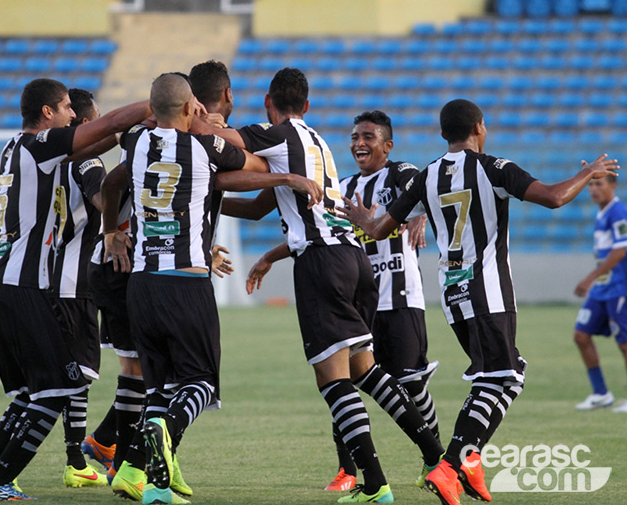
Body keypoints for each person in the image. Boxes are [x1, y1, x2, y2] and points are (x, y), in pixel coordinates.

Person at [338, 99, 619, 505]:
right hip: (488, 289)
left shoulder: (427, 176)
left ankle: (467, 461)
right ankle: (452, 464)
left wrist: (362, 218)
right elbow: (554, 197)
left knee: (503, 375)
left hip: (452, 294)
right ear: (479, 128)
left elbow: (380, 228)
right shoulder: (493, 168)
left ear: (443, 134)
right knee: (501, 377)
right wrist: (587, 172)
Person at [197, 68, 445, 504]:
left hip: (321, 262)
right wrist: (207, 199)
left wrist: (202, 121)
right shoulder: (318, 144)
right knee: (366, 371)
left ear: (269, 102)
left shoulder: (277, 134)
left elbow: (218, 142)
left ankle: (374, 484)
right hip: (354, 260)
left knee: (333, 381)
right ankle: (437, 459)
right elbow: (257, 207)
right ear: (308, 105)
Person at [101, 72, 296, 505]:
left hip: (141, 283)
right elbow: (253, 168)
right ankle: (164, 430)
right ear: (192, 107)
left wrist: (111, 230)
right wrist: (284, 178)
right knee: (202, 383)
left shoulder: (135, 141)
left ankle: (150, 482)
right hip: (186, 281)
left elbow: (110, 183)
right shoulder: (206, 145)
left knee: (159, 388)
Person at [0, 78, 152, 501]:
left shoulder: (14, 147)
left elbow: (93, 144)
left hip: (2, 281)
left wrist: (128, 138)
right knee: (59, 390)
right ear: (47, 113)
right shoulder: (39, 145)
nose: (72, 115)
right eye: (66, 107)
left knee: (30, 394)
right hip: (24, 283)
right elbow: (103, 129)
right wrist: (154, 109)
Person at [330, 111, 440, 491]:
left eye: (368, 137)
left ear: (387, 145)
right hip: (359, 306)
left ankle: (435, 460)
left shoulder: (400, 174)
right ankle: (347, 471)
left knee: (411, 384)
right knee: (342, 380)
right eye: (355, 137)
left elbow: (426, 191)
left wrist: (420, 215)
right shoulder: (343, 187)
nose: (359, 143)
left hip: (401, 298)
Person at [51, 88, 112, 488]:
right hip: (76, 284)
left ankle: (80, 456)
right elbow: (101, 198)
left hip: (51, 277)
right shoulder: (88, 161)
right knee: (78, 374)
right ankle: (76, 459)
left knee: (67, 373)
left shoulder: (51, 162)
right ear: (87, 124)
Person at [572, 174, 627, 412]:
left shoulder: (618, 212)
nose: (593, 189)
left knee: (625, 344)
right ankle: (601, 393)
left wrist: (589, 278)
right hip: (603, 288)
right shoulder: (602, 213)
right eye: (591, 184)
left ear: (612, 186)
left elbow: (620, 251)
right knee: (581, 335)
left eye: (599, 184)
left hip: (619, 287)